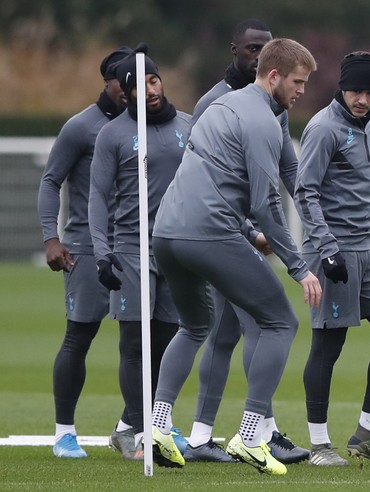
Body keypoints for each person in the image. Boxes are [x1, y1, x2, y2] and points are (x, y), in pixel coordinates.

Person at [148, 38, 320, 476]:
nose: (301, 91)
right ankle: (250, 435)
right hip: (209, 234)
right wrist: (300, 268)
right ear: (275, 76)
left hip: (166, 232)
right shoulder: (263, 121)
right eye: (298, 82)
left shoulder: (222, 105)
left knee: (193, 325)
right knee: (281, 321)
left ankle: (158, 425)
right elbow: (266, 205)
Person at [184, 18, 308, 465]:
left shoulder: (276, 103)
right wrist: (250, 232)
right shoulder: (213, 103)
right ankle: (250, 433)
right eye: (251, 47)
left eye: (265, 48)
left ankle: (215, 435)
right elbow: (204, 178)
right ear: (234, 49)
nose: (257, 54)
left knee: (240, 329)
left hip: (252, 234)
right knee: (250, 327)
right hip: (226, 236)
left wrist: (313, 213)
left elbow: (288, 169)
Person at [295, 51, 370, 467]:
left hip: (367, 248)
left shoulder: (369, 123)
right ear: (341, 88)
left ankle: (367, 432)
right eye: (355, 90)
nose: (362, 99)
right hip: (332, 252)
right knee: (329, 345)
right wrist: (327, 251)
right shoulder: (323, 128)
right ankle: (319, 445)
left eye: (369, 92)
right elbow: (304, 192)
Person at [87, 43, 191, 460]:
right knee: (134, 341)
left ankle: (157, 422)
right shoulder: (112, 135)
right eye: (139, 85)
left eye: (153, 79)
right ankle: (134, 425)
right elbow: (97, 196)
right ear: (124, 94)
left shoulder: (189, 124)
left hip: (177, 248)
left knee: (166, 340)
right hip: (130, 249)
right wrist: (101, 252)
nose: (150, 89)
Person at [37, 46, 132, 459]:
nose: (129, 90)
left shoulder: (146, 124)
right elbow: (50, 181)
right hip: (87, 248)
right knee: (80, 336)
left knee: (147, 339)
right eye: (122, 81)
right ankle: (64, 433)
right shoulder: (82, 127)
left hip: (135, 247)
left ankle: (135, 425)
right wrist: (50, 237)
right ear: (107, 81)